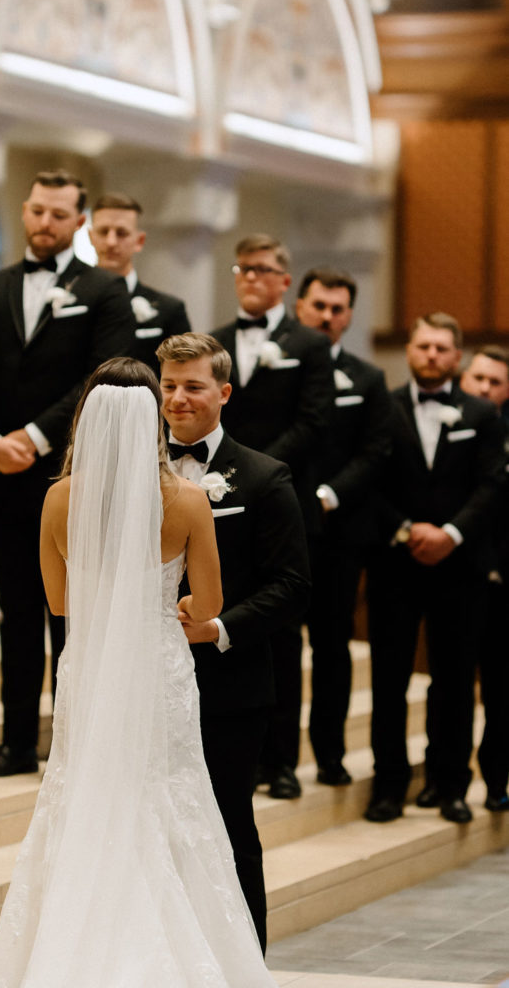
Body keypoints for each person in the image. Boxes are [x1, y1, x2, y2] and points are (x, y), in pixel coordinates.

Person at [0, 357, 279, 988]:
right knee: (168, 799)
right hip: (158, 668)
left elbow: (60, 605)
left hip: (88, 669)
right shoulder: (188, 500)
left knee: (87, 796)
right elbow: (210, 605)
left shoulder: (60, 498)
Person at [0, 169, 134, 778]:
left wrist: (33, 437)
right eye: (35, 211)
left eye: (59, 215)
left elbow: (103, 376)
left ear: (78, 222)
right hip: (3, 473)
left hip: (71, 473)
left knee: (73, 612)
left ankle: (74, 745)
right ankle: (16, 741)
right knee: (18, 607)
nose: (44, 223)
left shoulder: (106, 291)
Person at [157, 332, 311, 951]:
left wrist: (219, 629)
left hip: (230, 685)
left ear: (223, 392)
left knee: (226, 825)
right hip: (150, 682)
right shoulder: (138, 470)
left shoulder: (264, 476)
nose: (177, 399)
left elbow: (293, 585)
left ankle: (245, 959)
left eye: (192, 386)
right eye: (168, 386)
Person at [365, 314, 505, 824]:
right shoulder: (382, 406)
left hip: (461, 567)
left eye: (442, 348)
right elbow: (370, 480)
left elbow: (492, 485)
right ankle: (389, 785)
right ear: (409, 350)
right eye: (423, 345)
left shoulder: (481, 413)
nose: (431, 355)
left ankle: (449, 785)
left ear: (457, 355)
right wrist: (405, 530)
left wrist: (451, 533)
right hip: (394, 563)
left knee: (453, 678)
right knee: (389, 679)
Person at [212, 234, 333, 801]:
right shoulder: (216, 340)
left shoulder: (308, 344)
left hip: (281, 498)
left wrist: (254, 471)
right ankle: (231, 750)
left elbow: (314, 422)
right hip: (216, 501)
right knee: (224, 617)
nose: (252, 278)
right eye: (244, 268)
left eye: (263, 270)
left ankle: (281, 759)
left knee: (282, 634)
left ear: (286, 281)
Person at [295, 268, 392, 786]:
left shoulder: (367, 378)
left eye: (338, 308)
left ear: (350, 316)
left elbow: (375, 451)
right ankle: (277, 759)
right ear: (299, 308)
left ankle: (329, 756)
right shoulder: (280, 367)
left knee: (332, 646)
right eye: (319, 306)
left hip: (339, 530)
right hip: (283, 528)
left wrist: (329, 495)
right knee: (279, 644)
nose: (328, 316)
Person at [459, 346, 509, 811]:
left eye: (495, 382)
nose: (485, 389)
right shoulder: (456, 425)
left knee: (500, 686)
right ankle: (450, 778)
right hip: (460, 572)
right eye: (479, 379)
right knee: (454, 681)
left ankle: (496, 779)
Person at [89, 192, 191, 374]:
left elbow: (181, 375)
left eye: (121, 233)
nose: (111, 242)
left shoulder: (170, 310)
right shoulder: (76, 302)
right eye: (104, 232)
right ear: (91, 237)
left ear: (139, 241)